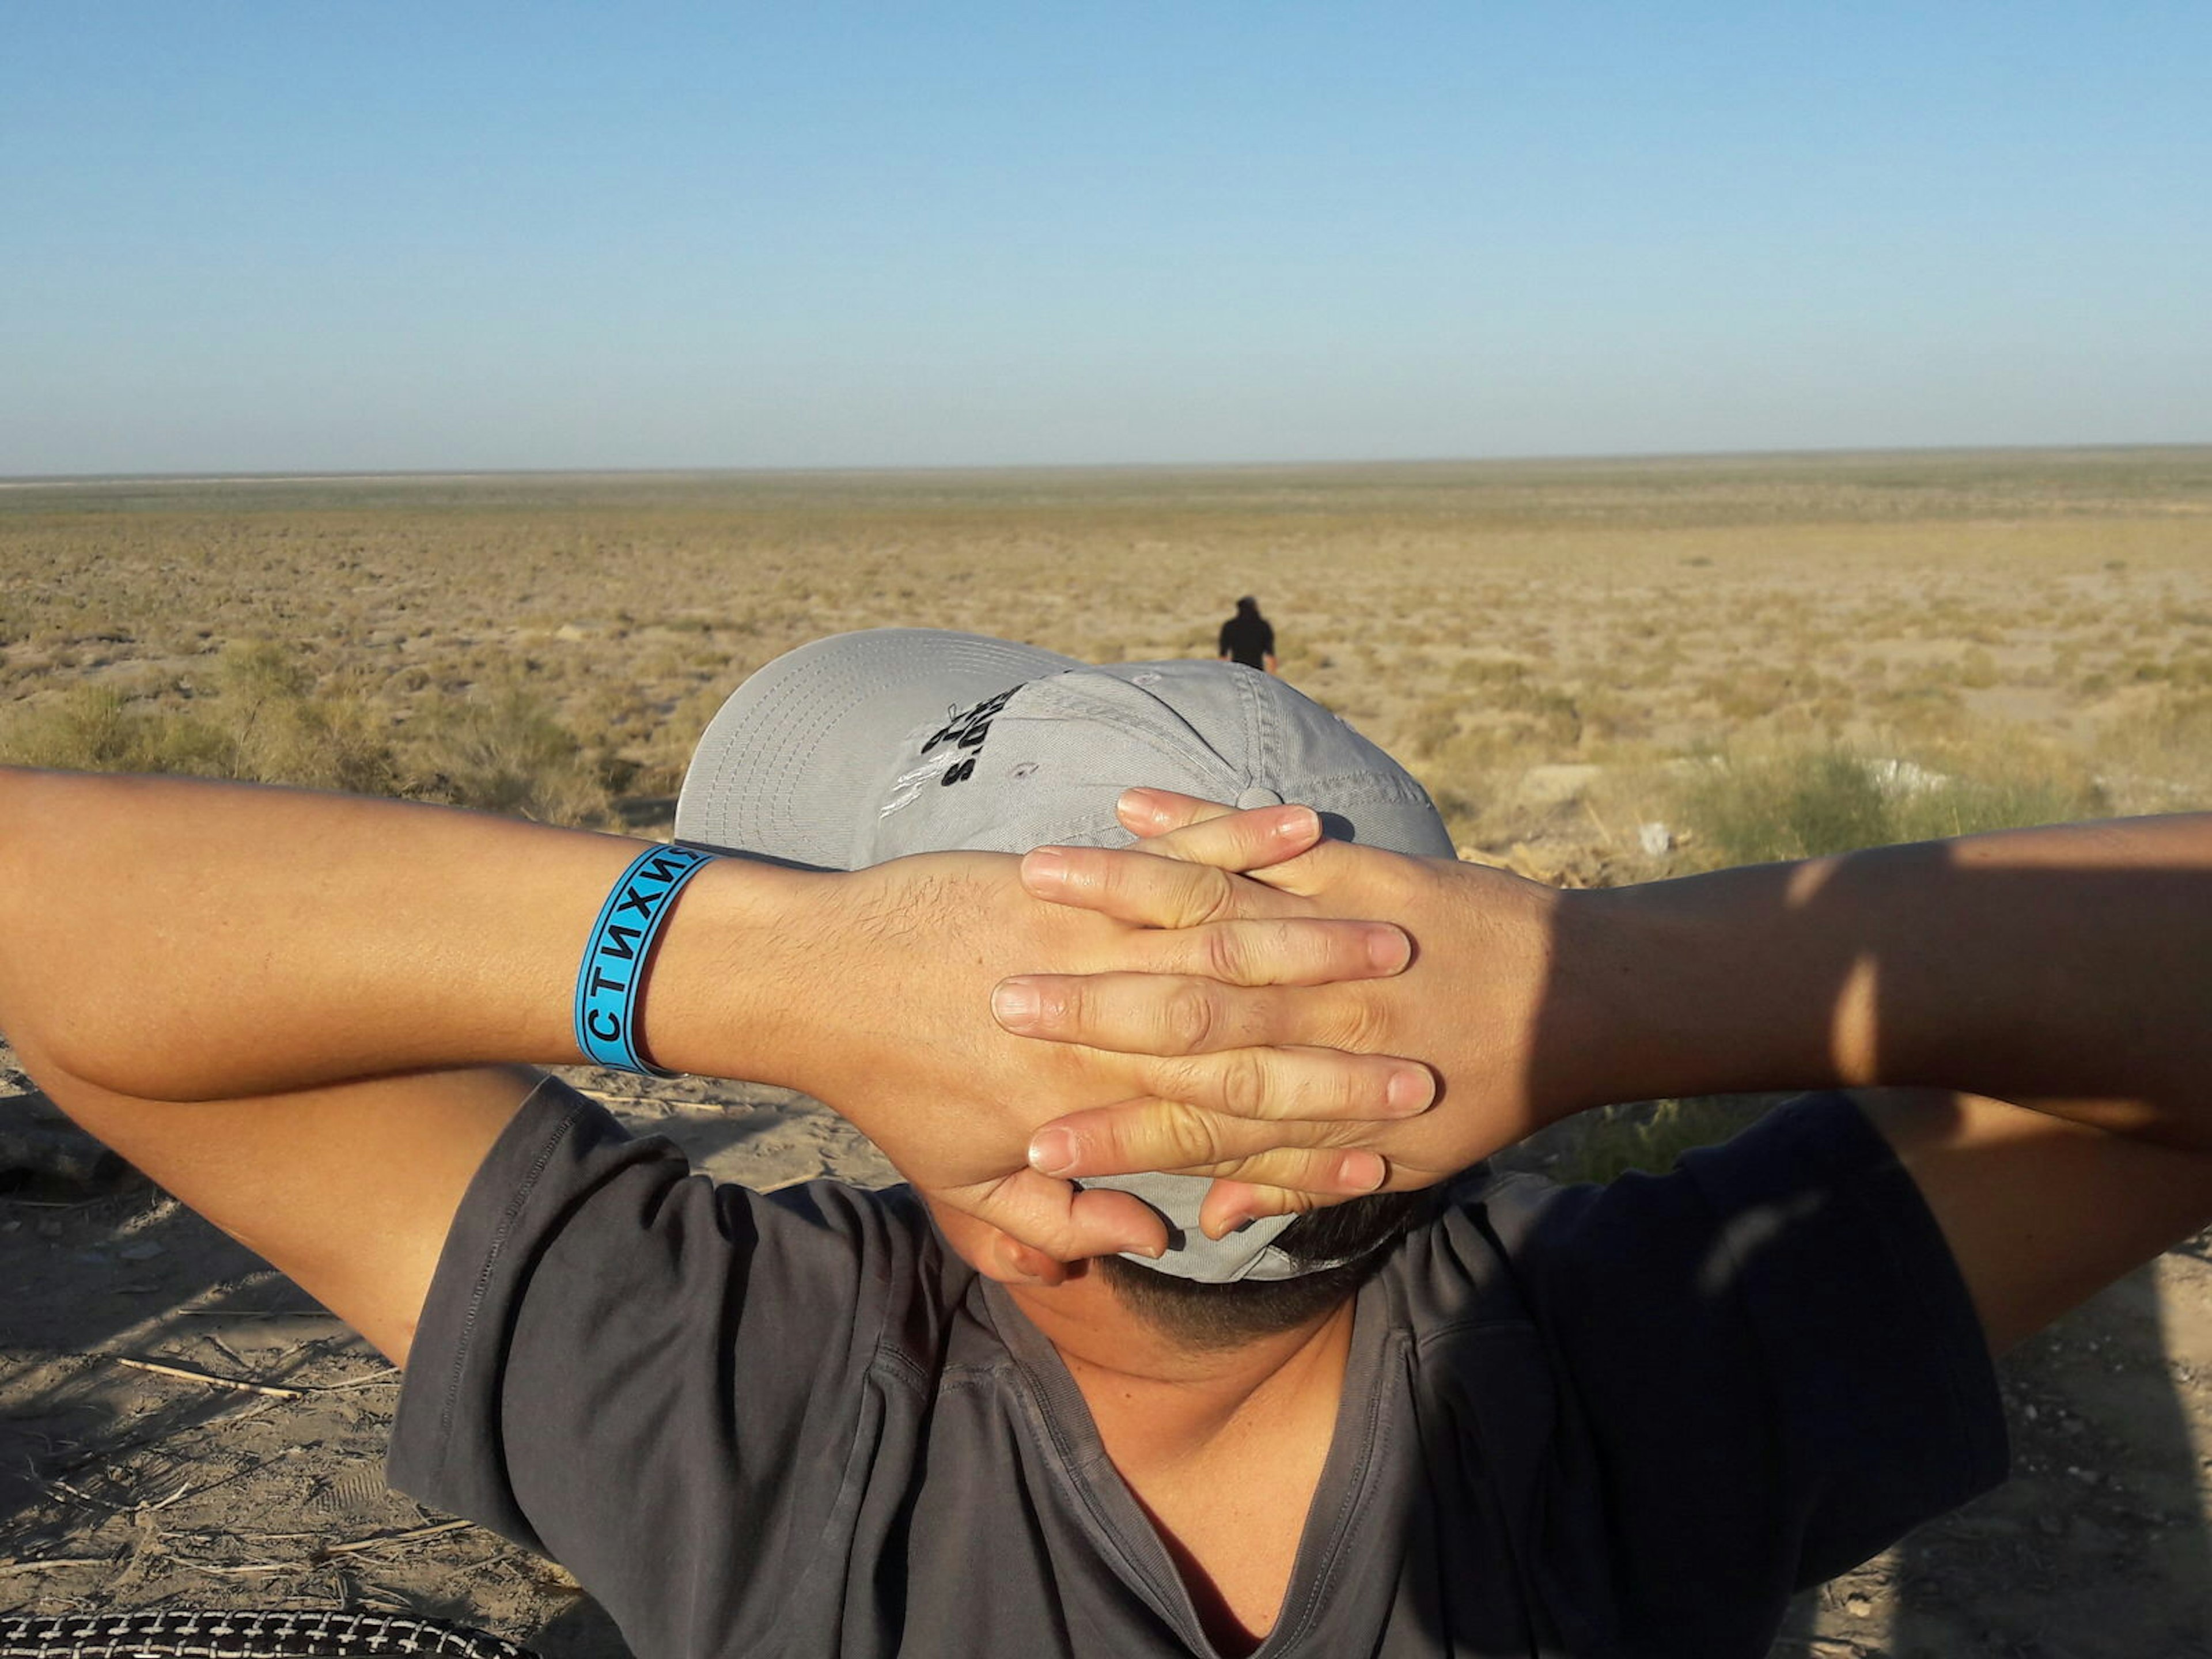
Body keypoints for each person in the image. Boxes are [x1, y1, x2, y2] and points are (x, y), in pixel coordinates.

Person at [3, 628, 2209, 1659]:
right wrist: (1600, 991)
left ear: (1013, 1190)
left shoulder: (737, 1383)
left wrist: (755, 970)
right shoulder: (1658, 1357)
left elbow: (44, 902)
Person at [1217, 594, 1278, 674]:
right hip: (1257, 672)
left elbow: (1223, 656)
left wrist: (1224, 675)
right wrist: (1271, 678)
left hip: (1236, 672)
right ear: (1255, 608)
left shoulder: (1230, 626)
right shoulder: (1263, 626)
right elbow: (1270, 655)